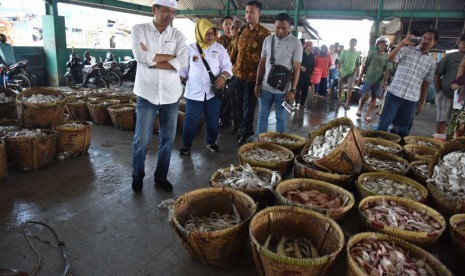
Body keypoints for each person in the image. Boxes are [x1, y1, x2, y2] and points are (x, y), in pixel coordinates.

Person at [130, 0, 188, 193]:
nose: (170, 15)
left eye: (173, 12)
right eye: (166, 11)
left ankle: (160, 176)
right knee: (142, 140)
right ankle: (137, 176)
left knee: (168, 139)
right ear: (154, 9)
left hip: (171, 95)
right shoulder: (140, 29)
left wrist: (152, 59)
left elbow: (183, 61)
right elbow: (140, 56)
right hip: (146, 94)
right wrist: (169, 59)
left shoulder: (177, 35)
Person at [179, 19, 232, 155]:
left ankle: (211, 142)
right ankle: (186, 145)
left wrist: (223, 77)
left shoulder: (219, 49)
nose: (210, 36)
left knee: (213, 121)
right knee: (191, 121)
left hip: (213, 93)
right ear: (200, 33)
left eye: (212, 33)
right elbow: (183, 70)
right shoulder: (190, 49)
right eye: (206, 33)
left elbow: (228, 67)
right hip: (193, 93)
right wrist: (176, 83)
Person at [377, 29, 438, 138]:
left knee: (403, 130)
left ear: (434, 43)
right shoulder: (406, 50)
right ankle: (376, 147)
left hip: (412, 98)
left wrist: (422, 101)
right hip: (395, 93)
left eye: (430, 39)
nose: (426, 41)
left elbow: (426, 82)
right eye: (424, 38)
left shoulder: (432, 62)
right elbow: (389, 58)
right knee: (383, 124)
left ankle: (397, 151)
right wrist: (401, 43)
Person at [229, 0, 270, 146]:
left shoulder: (265, 34)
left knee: (249, 108)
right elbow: (234, 51)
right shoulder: (241, 31)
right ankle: (243, 129)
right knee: (238, 106)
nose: (248, 15)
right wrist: (229, 69)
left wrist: (261, 81)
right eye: (246, 12)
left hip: (253, 78)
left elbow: (267, 59)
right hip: (237, 75)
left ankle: (245, 133)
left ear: (259, 14)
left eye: (252, 12)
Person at [255, 13, 302, 134]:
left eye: (284, 28)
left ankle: (279, 145)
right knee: (262, 116)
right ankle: (261, 142)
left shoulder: (296, 43)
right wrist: (257, 83)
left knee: (280, 118)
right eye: (277, 27)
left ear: (289, 27)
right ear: (274, 26)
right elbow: (262, 63)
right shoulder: (268, 40)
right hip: (265, 87)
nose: (280, 31)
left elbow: (296, 68)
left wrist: (293, 90)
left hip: (283, 91)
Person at [356, 36, 392, 122]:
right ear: (377, 44)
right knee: (365, 95)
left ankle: (367, 115)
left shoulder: (388, 57)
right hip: (368, 78)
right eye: (380, 44)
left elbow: (387, 70)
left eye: (383, 44)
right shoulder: (371, 54)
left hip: (379, 81)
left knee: (374, 98)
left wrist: (385, 82)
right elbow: (365, 66)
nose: (381, 46)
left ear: (386, 46)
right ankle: (360, 108)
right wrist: (360, 77)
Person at [434, 35, 465, 134]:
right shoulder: (450, 56)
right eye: (463, 42)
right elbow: (437, 74)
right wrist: (438, 91)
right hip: (445, 95)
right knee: (441, 120)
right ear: (459, 43)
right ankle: (439, 142)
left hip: (461, 100)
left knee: (457, 124)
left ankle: (450, 145)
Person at [217, 16, 234, 128]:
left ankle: (228, 117)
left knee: (232, 96)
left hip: (234, 72)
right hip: (221, 73)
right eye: (226, 24)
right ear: (222, 26)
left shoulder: (237, 39)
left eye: (230, 24)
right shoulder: (218, 41)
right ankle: (222, 117)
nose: (228, 26)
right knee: (221, 96)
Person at [337, 38, 361, 109]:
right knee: (341, 87)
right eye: (351, 42)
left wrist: (355, 72)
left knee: (350, 88)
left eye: (354, 43)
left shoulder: (357, 53)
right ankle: (339, 99)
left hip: (351, 73)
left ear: (355, 44)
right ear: (349, 43)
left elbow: (358, 64)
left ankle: (347, 103)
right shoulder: (344, 52)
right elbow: (339, 62)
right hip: (343, 72)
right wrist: (338, 71)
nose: (352, 44)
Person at [295, 41, 315, 108]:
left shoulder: (312, 55)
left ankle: (302, 103)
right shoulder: (301, 53)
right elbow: (296, 61)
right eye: (310, 46)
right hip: (300, 74)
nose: (311, 47)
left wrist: (311, 73)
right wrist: (300, 66)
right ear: (306, 46)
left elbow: (313, 65)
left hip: (308, 75)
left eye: (311, 46)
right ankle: (296, 102)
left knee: (305, 89)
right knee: (298, 88)